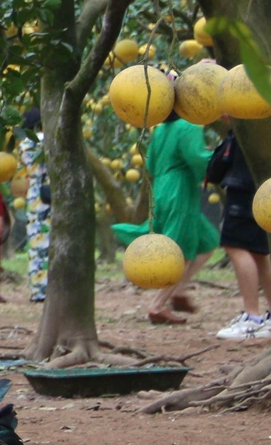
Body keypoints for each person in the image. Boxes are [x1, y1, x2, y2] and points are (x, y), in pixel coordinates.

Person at [112, 110, 219, 324]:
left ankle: (178, 291)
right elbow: (196, 158)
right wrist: (219, 156)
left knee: (208, 240)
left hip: (161, 188)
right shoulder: (188, 126)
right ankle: (157, 306)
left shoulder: (160, 130)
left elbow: (150, 164)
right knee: (182, 251)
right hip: (179, 190)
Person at [205, 128, 270, 339]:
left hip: (247, 186)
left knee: (236, 246)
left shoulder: (251, 109)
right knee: (260, 251)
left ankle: (252, 318)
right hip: (261, 186)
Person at [17, 108, 49, 303]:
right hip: (48, 192)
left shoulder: (24, 146)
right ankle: (48, 289)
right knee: (47, 241)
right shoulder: (46, 140)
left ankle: (37, 290)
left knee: (35, 244)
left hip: (33, 194)